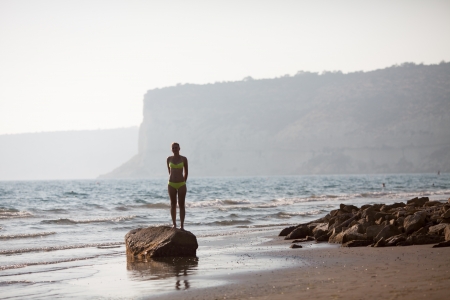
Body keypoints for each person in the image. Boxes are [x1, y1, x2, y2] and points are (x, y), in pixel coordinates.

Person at [167, 142, 188, 230]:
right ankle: (174, 224)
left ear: (179, 148)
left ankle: (182, 225)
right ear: (172, 149)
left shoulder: (184, 159)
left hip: (181, 184)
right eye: (173, 148)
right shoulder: (169, 159)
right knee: (173, 204)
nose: (175, 149)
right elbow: (169, 171)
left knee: (181, 204)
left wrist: (183, 181)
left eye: (176, 147)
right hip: (171, 184)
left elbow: (186, 172)